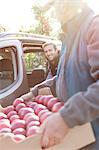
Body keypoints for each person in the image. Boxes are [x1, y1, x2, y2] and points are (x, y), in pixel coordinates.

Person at [22, 0, 99, 149]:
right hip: (76, 138)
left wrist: (66, 117)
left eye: (53, 5)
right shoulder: (68, 39)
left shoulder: (94, 28)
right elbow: (65, 76)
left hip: (94, 137)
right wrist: (35, 92)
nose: (53, 13)